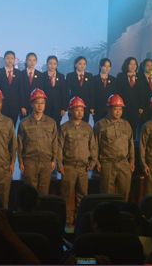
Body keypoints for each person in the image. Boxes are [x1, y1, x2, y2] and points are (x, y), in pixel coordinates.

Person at [58, 96, 98, 226]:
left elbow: (93, 147)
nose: (80, 112)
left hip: (83, 168)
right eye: (77, 110)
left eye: (82, 110)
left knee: (83, 196)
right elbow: (59, 148)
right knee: (66, 196)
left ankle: (80, 221)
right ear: (70, 111)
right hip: (68, 167)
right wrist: (59, 164)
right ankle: (67, 221)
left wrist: (93, 162)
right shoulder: (64, 128)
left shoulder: (88, 128)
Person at [93, 94, 135, 201]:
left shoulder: (126, 124)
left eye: (120, 109)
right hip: (107, 164)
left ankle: (122, 211)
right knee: (107, 195)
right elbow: (95, 145)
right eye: (115, 109)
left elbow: (131, 144)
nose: (118, 112)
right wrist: (96, 162)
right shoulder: (100, 125)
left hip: (123, 163)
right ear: (108, 109)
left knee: (124, 194)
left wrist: (132, 161)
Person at [17, 89, 58, 195]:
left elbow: (54, 142)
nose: (40, 106)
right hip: (30, 162)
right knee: (30, 193)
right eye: (37, 103)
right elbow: (20, 145)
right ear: (31, 104)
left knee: (44, 193)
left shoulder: (51, 122)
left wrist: (54, 159)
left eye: (42, 103)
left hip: (46, 162)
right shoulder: (24, 123)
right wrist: (21, 162)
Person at [116, 57, 144, 134]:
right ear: (126, 65)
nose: (133, 66)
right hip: (123, 107)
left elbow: (142, 93)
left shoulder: (140, 76)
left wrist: (141, 106)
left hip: (136, 108)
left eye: (135, 64)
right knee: (122, 128)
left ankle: (132, 141)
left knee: (133, 128)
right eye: (130, 64)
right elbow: (118, 92)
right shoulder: (120, 76)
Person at [0, 50, 21, 127]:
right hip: (2, 105)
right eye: (7, 58)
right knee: (1, 127)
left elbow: (21, 90)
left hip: (15, 105)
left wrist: (21, 106)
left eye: (12, 58)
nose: (10, 60)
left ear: (14, 60)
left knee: (12, 127)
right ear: (4, 59)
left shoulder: (19, 73)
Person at [41, 55, 68, 128]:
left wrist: (64, 108)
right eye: (50, 63)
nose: (52, 66)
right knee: (45, 126)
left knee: (56, 126)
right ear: (47, 64)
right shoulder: (42, 76)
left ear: (57, 65)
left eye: (54, 63)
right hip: (45, 107)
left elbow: (64, 93)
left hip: (58, 107)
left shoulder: (61, 76)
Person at [66, 56, 94, 123]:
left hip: (86, 106)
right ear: (75, 65)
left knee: (84, 124)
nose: (82, 66)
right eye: (80, 63)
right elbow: (66, 92)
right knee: (73, 124)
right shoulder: (70, 76)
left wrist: (92, 106)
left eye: (84, 64)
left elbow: (92, 92)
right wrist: (67, 105)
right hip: (74, 105)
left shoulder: (89, 76)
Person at [19, 52, 44, 118]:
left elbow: (41, 92)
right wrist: (22, 106)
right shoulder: (21, 74)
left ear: (36, 62)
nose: (32, 62)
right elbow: (20, 91)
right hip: (24, 107)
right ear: (26, 61)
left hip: (36, 106)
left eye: (34, 60)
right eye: (29, 60)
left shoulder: (40, 75)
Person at [92, 58, 116, 123]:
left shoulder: (113, 79)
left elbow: (114, 94)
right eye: (105, 66)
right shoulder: (94, 79)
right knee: (98, 125)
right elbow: (92, 94)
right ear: (100, 66)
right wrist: (92, 107)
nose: (107, 68)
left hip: (109, 109)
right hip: (97, 108)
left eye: (109, 66)